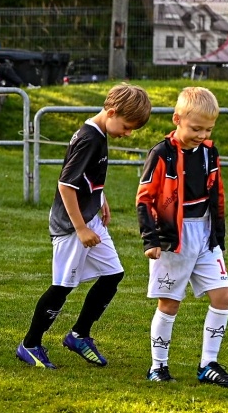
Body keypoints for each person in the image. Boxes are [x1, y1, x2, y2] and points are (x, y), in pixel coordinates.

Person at [16, 83, 152, 368]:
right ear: (112, 112)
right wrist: (80, 228)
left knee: (113, 274)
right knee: (62, 287)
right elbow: (66, 185)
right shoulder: (90, 138)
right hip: (71, 224)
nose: (127, 134)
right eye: (127, 127)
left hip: (90, 217)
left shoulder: (100, 133)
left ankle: (79, 334)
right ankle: (30, 344)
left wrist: (100, 197)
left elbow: (86, 178)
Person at [137, 86, 228, 387]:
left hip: (205, 236)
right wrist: (151, 239)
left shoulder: (210, 152)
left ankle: (208, 364)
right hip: (173, 239)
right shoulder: (161, 154)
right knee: (169, 304)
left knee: (223, 296)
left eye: (208, 128)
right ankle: (158, 366)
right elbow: (144, 199)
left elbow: (216, 194)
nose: (202, 134)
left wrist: (218, 235)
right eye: (196, 128)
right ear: (177, 119)